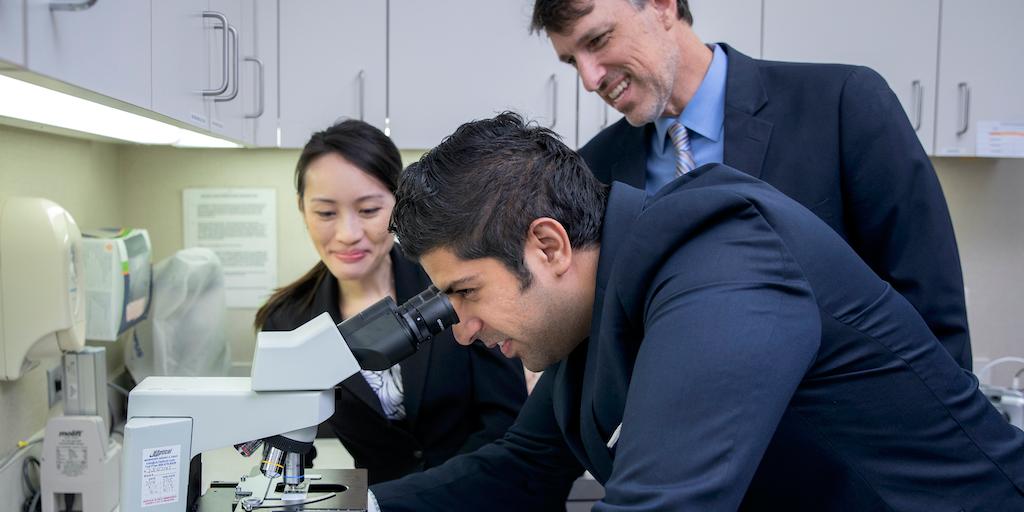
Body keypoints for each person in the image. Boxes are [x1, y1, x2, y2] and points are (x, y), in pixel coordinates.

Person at [367, 113, 1024, 511]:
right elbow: (519, 469)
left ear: (548, 244)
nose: (464, 327)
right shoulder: (592, 315)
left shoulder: (721, 256)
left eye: (467, 292)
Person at [533, 0, 972, 372]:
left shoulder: (841, 103)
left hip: (848, 452)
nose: (590, 80)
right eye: (573, 61)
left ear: (664, 5)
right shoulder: (595, 168)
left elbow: (931, 307)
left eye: (597, 40)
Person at [253, 120, 527, 485]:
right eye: (326, 213)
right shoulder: (288, 322)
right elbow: (291, 449)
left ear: (398, 207)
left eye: (368, 211)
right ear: (302, 209)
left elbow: (506, 419)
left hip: (477, 492)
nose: (348, 234)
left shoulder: (453, 284)